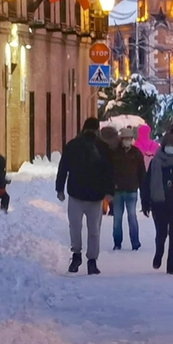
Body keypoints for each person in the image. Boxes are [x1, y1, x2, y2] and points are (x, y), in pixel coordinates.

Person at [56, 117, 115, 275]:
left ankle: (76, 256)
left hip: (76, 193)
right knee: (94, 230)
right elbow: (109, 172)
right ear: (97, 130)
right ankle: (92, 261)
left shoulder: (73, 145)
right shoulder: (103, 147)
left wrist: (60, 188)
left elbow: (63, 167)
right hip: (95, 195)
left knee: (75, 227)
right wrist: (109, 192)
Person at [142, 126, 173, 274]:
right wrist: (145, 202)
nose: (170, 148)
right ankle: (159, 254)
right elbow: (147, 183)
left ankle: (171, 264)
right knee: (161, 233)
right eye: (168, 146)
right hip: (159, 203)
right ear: (163, 146)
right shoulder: (155, 163)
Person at [108, 127, 146, 250]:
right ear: (122, 139)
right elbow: (109, 171)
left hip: (132, 190)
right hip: (117, 190)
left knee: (132, 216)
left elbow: (141, 172)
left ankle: (135, 242)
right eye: (126, 139)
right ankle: (117, 243)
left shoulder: (136, 153)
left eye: (129, 138)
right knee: (117, 219)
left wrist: (142, 187)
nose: (128, 141)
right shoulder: (114, 153)